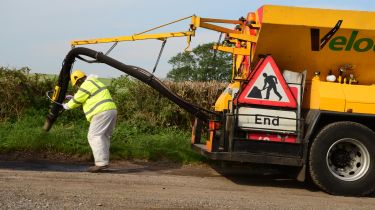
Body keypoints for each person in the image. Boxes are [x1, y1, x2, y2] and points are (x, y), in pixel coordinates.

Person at [62, 70, 117, 173]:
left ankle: (100, 164)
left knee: (94, 136)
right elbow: (87, 96)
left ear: (78, 80)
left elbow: (78, 99)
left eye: (77, 84)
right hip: (111, 110)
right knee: (103, 136)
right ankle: (104, 163)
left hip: (101, 112)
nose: (77, 86)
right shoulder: (95, 82)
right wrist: (74, 97)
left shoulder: (86, 84)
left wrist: (66, 106)